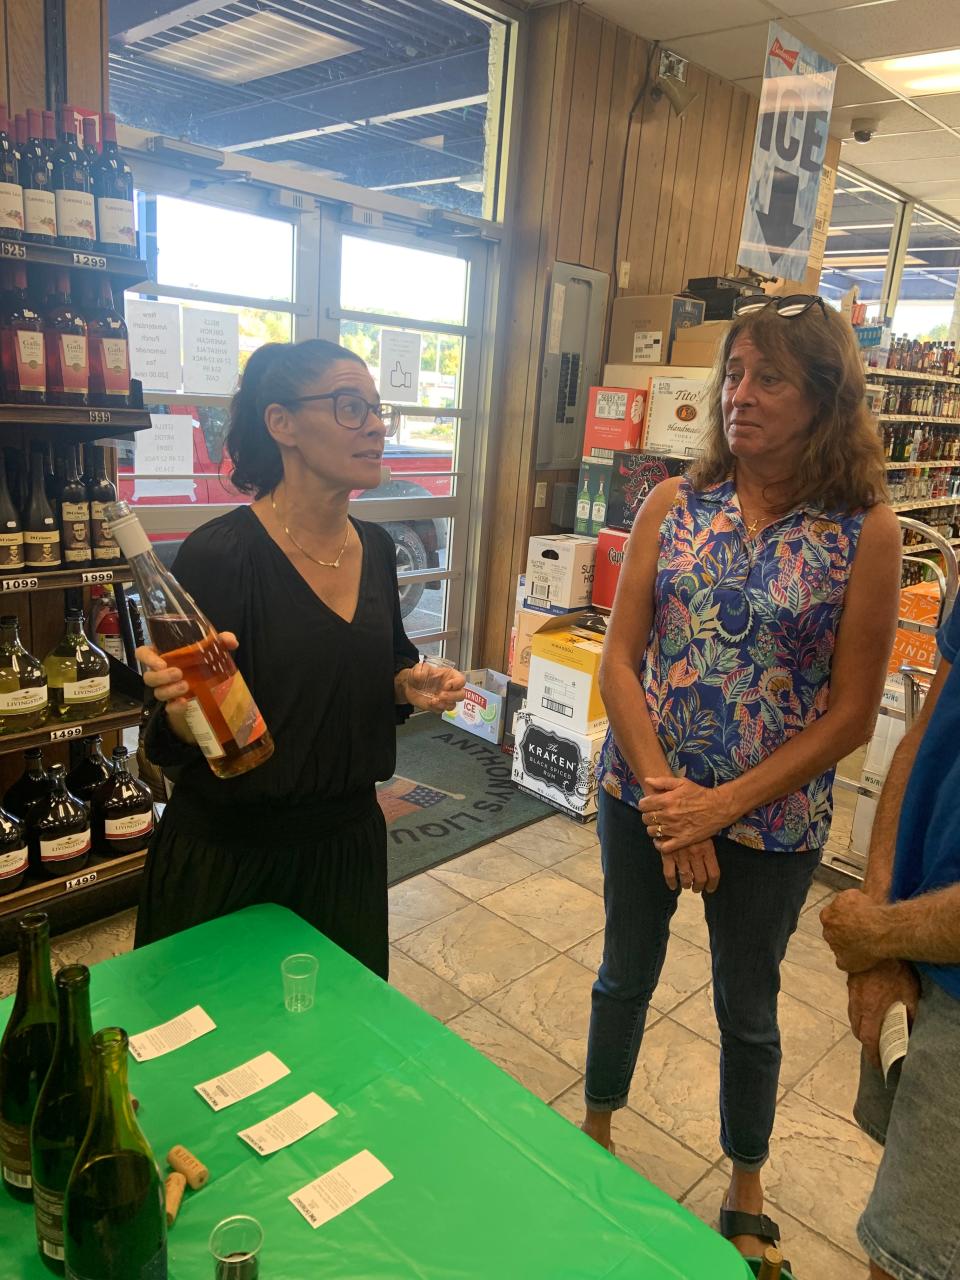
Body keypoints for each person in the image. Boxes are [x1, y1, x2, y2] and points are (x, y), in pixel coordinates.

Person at [581, 295, 902, 1262]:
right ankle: (593, 1132)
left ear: (826, 399)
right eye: (735, 373)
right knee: (622, 972)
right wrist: (668, 799)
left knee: (747, 1001)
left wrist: (721, 807)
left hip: (772, 824)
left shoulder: (865, 531)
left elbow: (852, 711)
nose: (741, 396)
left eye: (770, 378)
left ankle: (747, 1176)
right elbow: (619, 658)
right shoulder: (674, 504)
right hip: (643, 793)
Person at [134, 338, 465, 979]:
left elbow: (383, 669)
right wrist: (179, 709)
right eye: (349, 406)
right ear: (280, 423)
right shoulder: (221, 554)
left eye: (375, 409)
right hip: (232, 856)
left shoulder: (375, 549)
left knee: (338, 1062)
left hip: (347, 850)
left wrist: (408, 683)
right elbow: (171, 732)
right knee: (220, 1065)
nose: (374, 426)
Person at [821, 597, 960, 1280]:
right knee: (898, 1228)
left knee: (912, 1261)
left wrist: (878, 929)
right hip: (917, 953)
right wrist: (882, 924)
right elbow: (926, 735)